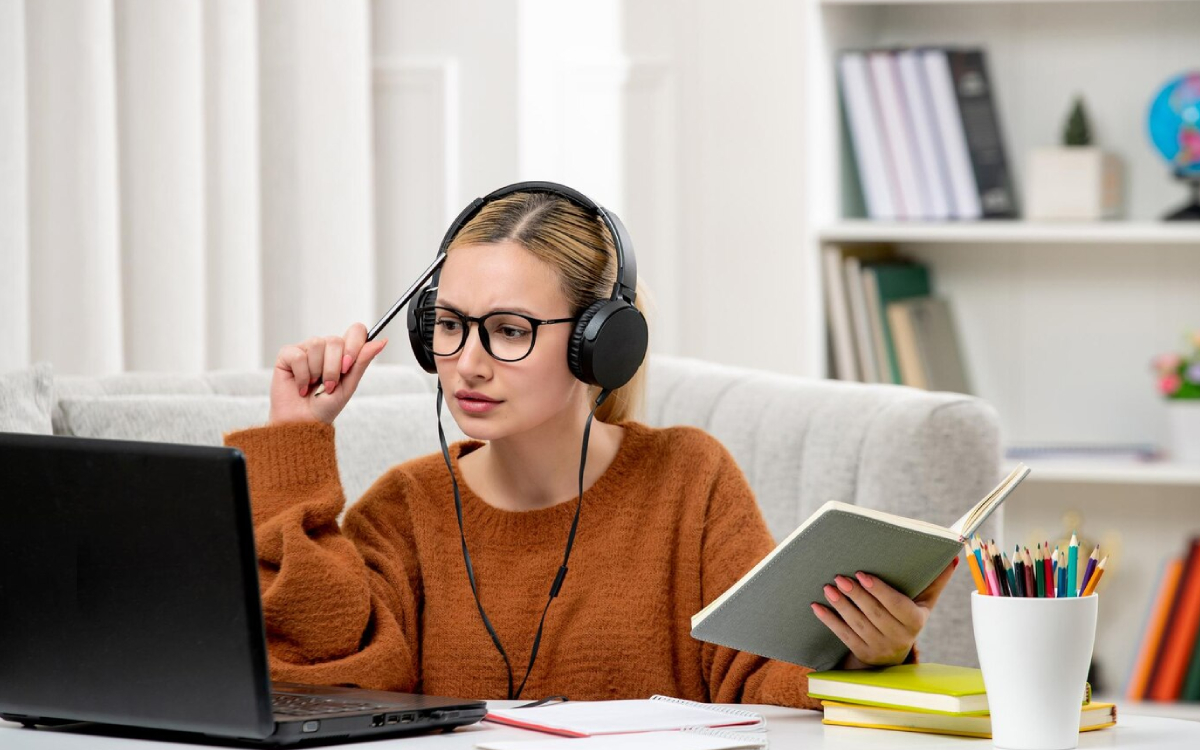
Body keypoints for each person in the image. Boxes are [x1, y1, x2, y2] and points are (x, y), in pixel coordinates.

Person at [223, 184, 956, 709]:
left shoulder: (688, 480)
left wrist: (865, 654)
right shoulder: (404, 509)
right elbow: (320, 682)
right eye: (448, 325)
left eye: (509, 331)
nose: (468, 362)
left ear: (599, 346)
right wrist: (297, 439)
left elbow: (761, 684)